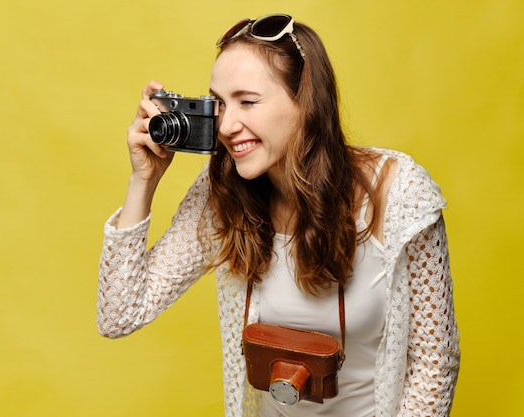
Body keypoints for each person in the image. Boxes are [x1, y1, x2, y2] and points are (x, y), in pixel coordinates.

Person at [97, 13, 460, 417]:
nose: (227, 125)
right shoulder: (224, 191)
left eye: (248, 101)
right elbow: (119, 315)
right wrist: (142, 181)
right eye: (218, 103)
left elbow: (433, 363)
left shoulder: (399, 193)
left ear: (307, 102)